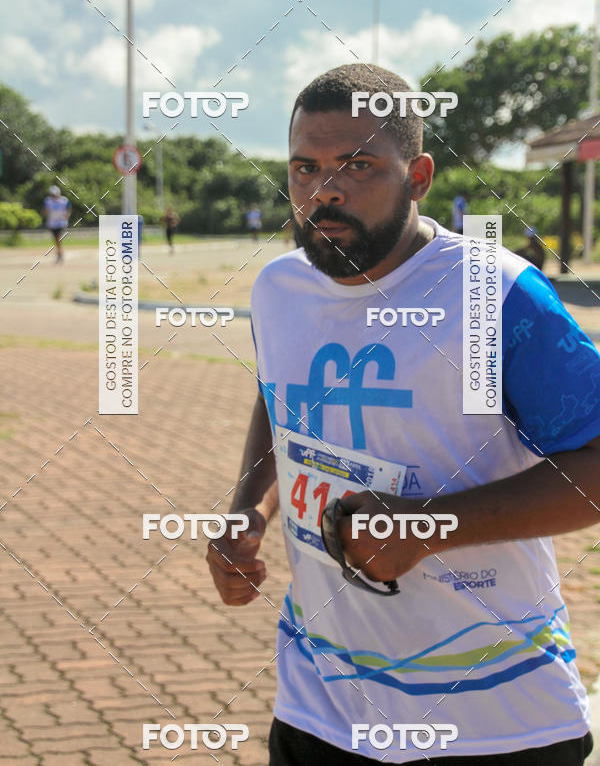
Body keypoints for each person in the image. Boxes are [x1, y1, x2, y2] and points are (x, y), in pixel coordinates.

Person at [206, 64, 599, 765]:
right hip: (319, 704)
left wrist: (428, 528)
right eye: (304, 168)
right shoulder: (279, 289)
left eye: (358, 165)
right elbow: (279, 400)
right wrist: (248, 509)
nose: (325, 190)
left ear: (417, 175)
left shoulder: (493, 294)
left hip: (495, 720)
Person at [43, 185, 71, 262]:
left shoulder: (64, 200)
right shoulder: (48, 201)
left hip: (61, 222)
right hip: (52, 223)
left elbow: (69, 208)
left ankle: (59, 253)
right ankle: (59, 252)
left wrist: (67, 215)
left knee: (58, 237)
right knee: (56, 239)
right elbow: (46, 210)